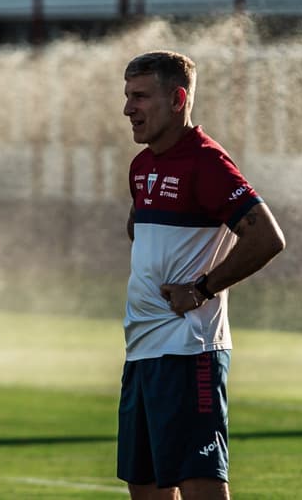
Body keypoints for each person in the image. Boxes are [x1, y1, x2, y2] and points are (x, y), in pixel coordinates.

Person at [118, 51, 286, 500]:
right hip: (142, 350)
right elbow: (144, 223)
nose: (128, 109)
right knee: (147, 488)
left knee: (201, 487)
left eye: (140, 97)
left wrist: (201, 288)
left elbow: (267, 237)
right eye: (127, 96)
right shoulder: (142, 165)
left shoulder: (207, 162)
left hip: (189, 351)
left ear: (177, 99)